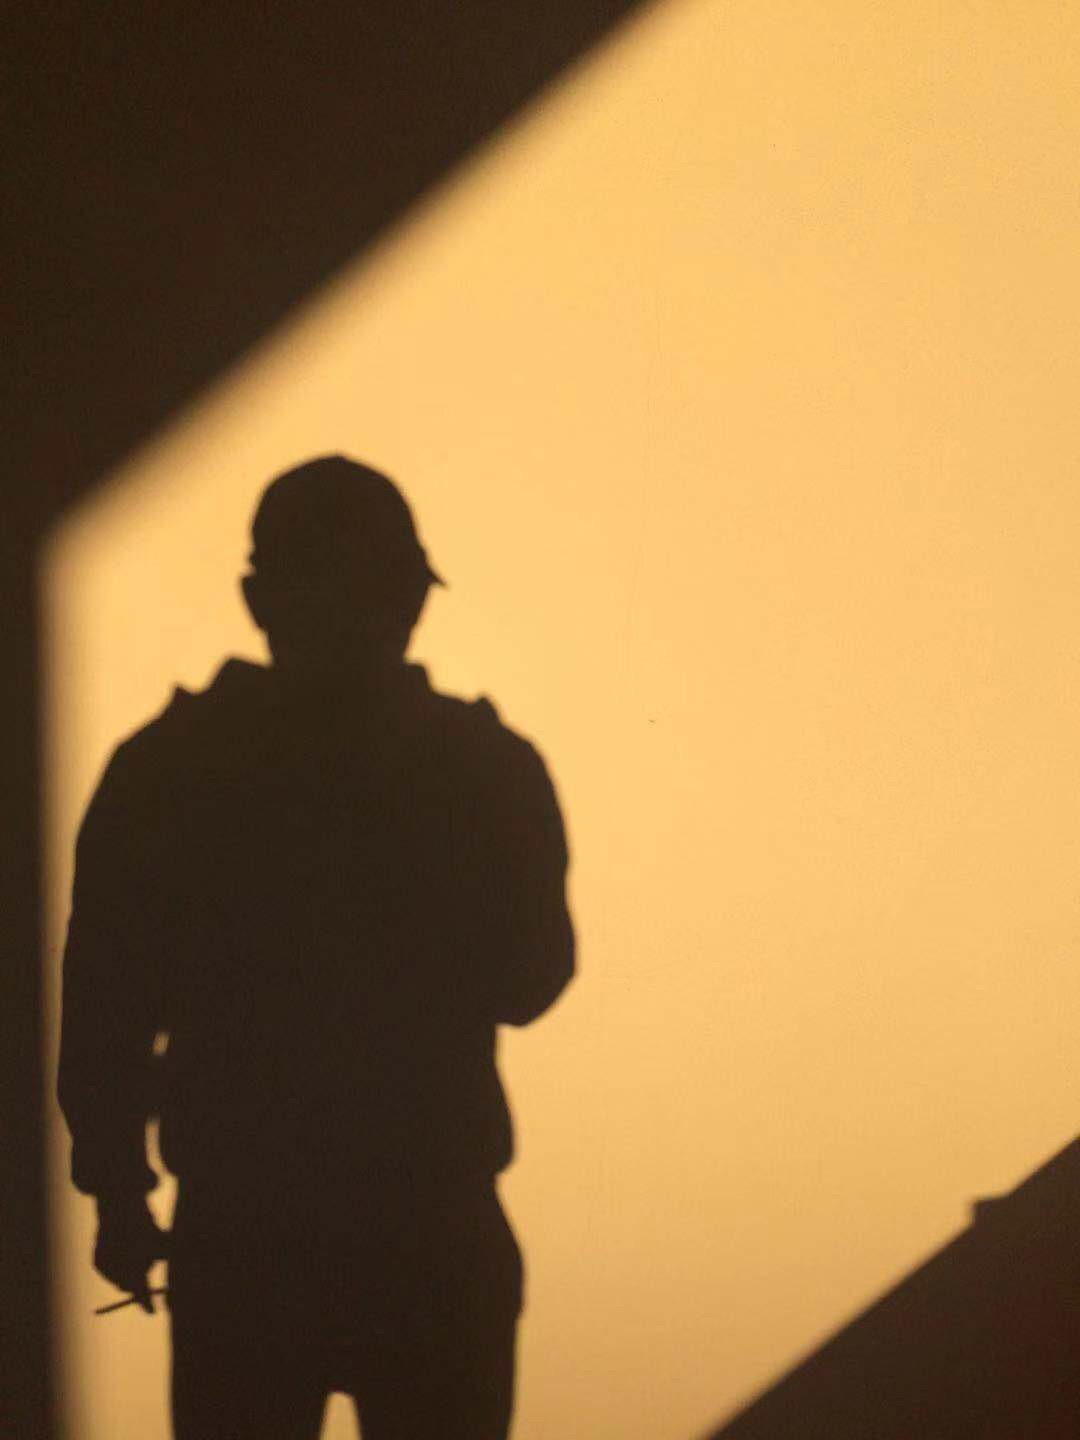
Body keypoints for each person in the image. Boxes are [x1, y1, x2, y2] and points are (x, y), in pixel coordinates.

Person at [58, 455, 575, 1439]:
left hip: (258, 1244)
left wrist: (119, 1196)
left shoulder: (169, 769)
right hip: (419, 1237)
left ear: (260, 601)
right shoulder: (481, 767)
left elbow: (106, 1019)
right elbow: (532, 977)